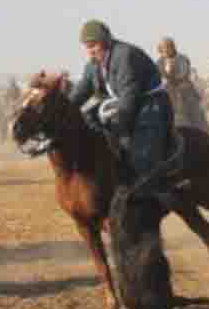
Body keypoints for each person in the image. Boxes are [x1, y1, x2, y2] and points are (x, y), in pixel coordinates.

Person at [69, 20, 175, 207]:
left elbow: (129, 97)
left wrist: (117, 129)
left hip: (151, 107)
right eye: (87, 47)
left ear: (105, 41)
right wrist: (63, 108)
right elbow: (81, 92)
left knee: (139, 158)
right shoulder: (93, 64)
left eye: (93, 45)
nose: (90, 51)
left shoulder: (125, 55)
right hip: (127, 106)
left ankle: (154, 202)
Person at [156, 37, 209, 131]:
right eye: (163, 48)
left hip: (184, 89)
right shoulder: (159, 61)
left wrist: (169, 75)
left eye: (168, 47)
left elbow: (183, 74)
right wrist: (165, 77)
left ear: (172, 47)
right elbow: (159, 74)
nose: (166, 50)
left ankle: (201, 129)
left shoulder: (182, 58)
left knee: (194, 110)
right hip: (167, 89)